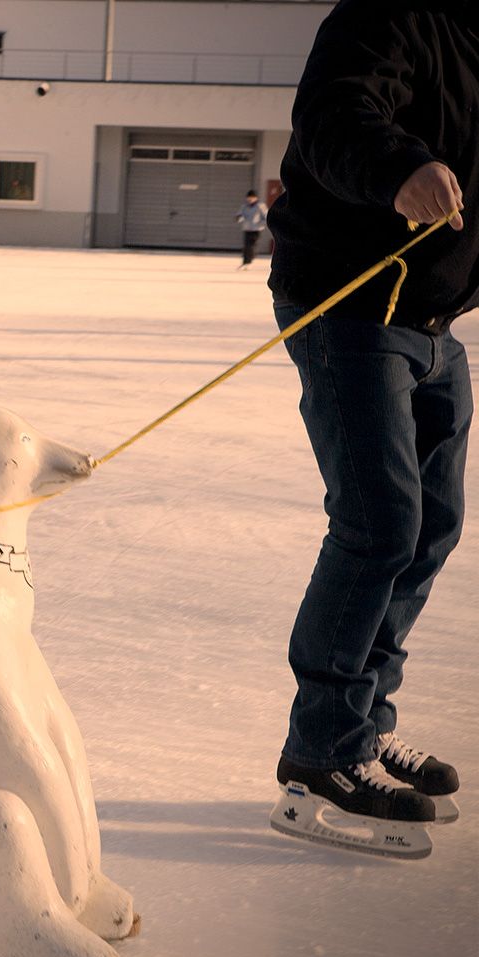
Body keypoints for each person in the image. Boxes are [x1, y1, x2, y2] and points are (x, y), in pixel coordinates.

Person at [266, 0, 475, 857]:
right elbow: (333, 111)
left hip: (434, 323)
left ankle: (363, 715)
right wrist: (399, 166)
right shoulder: (392, 12)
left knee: (431, 525)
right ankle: (322, 751)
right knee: (378, 522)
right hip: (349, 305)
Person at [234, 189, 267, 269]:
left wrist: (261, 224)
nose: (249, 199)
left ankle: (249, 262)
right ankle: (245, 262)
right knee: (246, 246)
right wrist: (239, 218)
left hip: (256, 229)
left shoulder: (260, 206)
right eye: (248, 198)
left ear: (255, 198)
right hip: (247, 228)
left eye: (251, 198)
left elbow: (266, 216)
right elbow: (240, 215)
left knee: (251, 246)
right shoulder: (244, 206)